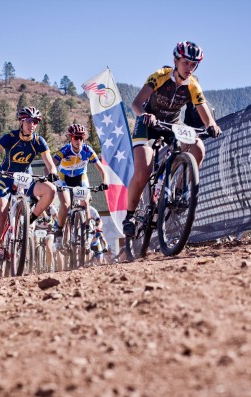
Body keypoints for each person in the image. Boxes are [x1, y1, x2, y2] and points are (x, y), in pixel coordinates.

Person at [122, 41, 222, 235]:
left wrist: (212, 125)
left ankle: (177, 192)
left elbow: (204, 113)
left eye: (194, 64)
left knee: (198, 148)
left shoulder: (193, 85)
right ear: (176, 60)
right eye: (186, 63)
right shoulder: (159, 76)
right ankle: (130, 216)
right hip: (148, 123)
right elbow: (136, 103)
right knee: (144, 170)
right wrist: (145, 115)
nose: (190, 68)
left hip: (172, 125)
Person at [0, 106, 59, 270]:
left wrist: (53, 173)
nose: (32, 125)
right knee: (1, 210)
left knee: (51, 190)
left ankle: (29, 219)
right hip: (5, 178)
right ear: (21, 121)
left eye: (35, 122)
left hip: (26, 179)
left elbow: (50, 164)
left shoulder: (39, 141)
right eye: (29, 121)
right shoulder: (10, 137)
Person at [52, 123, 109, 248]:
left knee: (86, 202)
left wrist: (104, 182)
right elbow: (50, 165)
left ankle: (87, 230)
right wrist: (50, 177)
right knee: (65, 205)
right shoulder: (65, 151)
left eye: (81, 138)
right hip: (64, 178)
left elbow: (101, 169)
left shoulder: (87, 150)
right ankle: (59, 232)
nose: (78, 141)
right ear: (70, 138)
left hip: (80, 178)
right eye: (75, 138)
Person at [33, 204, 59, 272]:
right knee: (34, 244)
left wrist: (57, 225)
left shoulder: (50, 207)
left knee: (49, 247)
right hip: (38, 230)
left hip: (49, 231)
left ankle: (50, 266)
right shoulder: (35, 206)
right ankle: (33, 264)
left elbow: (57, 217)